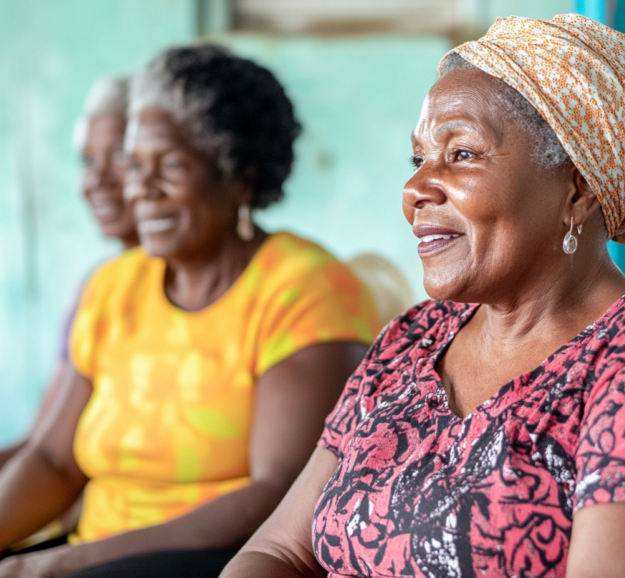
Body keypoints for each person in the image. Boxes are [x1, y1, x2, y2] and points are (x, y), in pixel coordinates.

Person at [221, 14, 625, 578]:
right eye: (418, 160)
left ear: (579, 185)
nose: (414, 191)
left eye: (461, 154)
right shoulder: (412, 339)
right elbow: (280, 551)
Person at [0, 45, 381, 577]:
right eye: (135, 165)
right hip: (91, 551)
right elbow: (52, 460)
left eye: (171, 166)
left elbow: (280, 488)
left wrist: (61, 563)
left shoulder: (305, 288)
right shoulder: (114, 285)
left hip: (216, 556)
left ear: (239, 176)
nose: (141, 190)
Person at [0, 75, 137, 522]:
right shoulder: (100, 286)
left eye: (119, 156)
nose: (96, 180)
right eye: (86, 161)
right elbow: (44, 446)